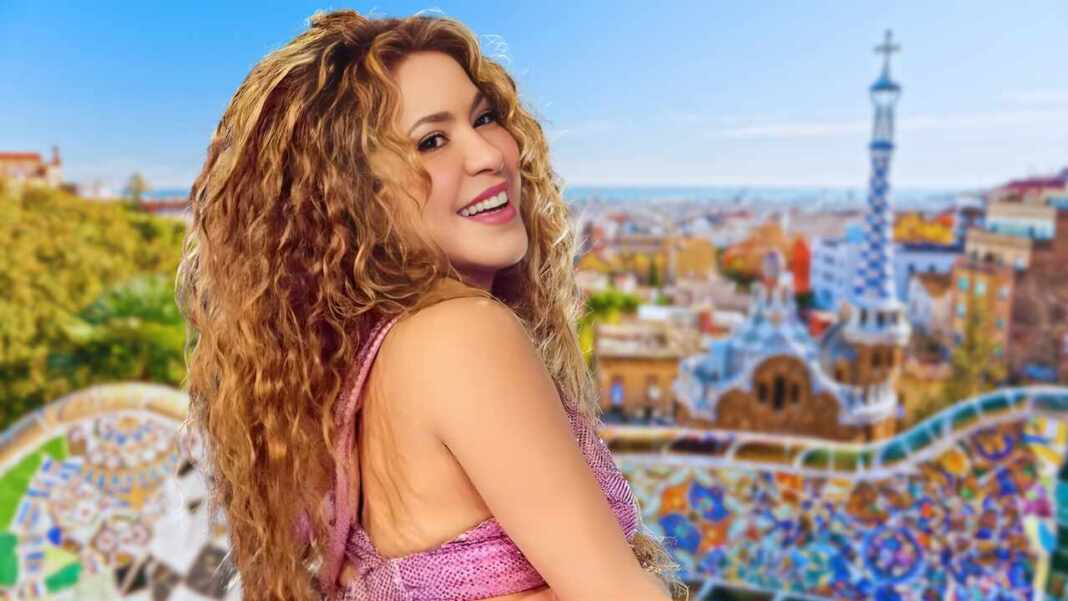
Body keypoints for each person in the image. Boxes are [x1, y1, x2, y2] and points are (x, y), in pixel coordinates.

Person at [176, 9, 687, 601]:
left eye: (484, 117)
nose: (489, 154)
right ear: (353, 197)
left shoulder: (365, 359)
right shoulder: (462, 335)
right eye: (431, 141)